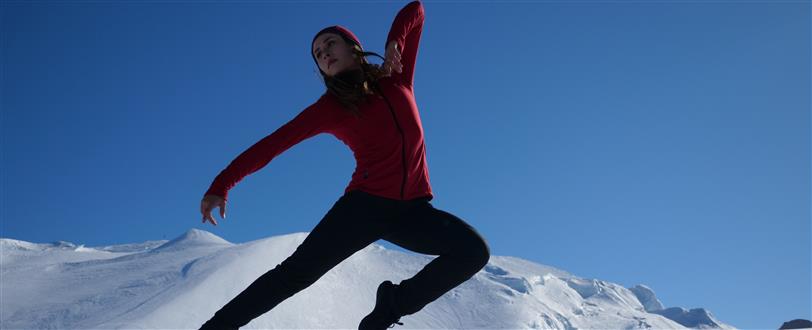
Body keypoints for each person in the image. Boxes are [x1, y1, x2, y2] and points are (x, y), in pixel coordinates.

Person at [198, 1, 490, 329]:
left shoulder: (397, 78)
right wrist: (221, 184)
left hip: (412, 212)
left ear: (353, 48)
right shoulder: (330, 108)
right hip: (363, 207)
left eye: (329, 44)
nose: (324, 53)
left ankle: (391, 305)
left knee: (473, 252)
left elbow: (416, 11)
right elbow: (272, 145)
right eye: (318, 54)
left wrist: (395, 41)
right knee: (294, 275)